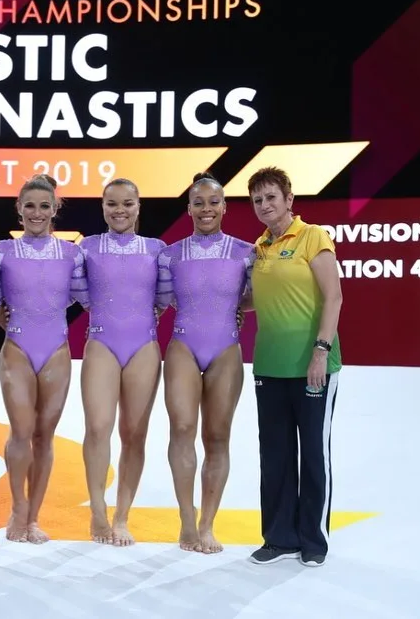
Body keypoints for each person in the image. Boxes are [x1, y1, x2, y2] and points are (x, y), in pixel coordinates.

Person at [245, 166, 342, 568]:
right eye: (257, 200)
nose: (265, 206)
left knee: (313, 456)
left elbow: (334, 297)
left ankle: (313, 540)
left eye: (271, 197)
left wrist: (320, 350)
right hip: (269, 366)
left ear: (289, 200)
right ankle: (279, 537)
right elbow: (256, 300)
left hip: (313, 367)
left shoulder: (313, 236)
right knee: (276, 454)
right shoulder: (259, 248)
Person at [0, 174, 89, 544]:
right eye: (29, 206)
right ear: (19, 210)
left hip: (57, 350)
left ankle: (33, 518)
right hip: (17, 349)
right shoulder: (1, 251)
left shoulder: (72, 253)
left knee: (45, 437)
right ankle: (16, 508)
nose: (37, 212)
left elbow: (87, 295)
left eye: (45, 206)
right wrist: (1, 317)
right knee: (22, 431)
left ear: (55, 209)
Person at [156, 172, 255, 554]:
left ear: (225, 207)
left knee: (217, 436)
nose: (206, 209)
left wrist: (234, 309)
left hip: (225, 349)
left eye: (213, 202)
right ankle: (186, 518)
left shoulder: (246, 252)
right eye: (199, 202)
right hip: (183, 345)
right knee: (182, 427)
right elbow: (164, 298)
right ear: (189, 208)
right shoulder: (171, 254)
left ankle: (208, 523)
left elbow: (253, 295)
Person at [79, 178, 165, 546]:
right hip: (102, 342)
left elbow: (167, 296)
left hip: (143, 345)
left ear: (138, 206)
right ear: (102, 207)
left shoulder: (156, 249)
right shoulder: (87, 248)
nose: (119, 210)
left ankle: (122, 516)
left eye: (127, 203)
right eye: (112, 203)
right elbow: (64, 290)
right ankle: (98, 512)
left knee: (134, 434)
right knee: (98, 427)